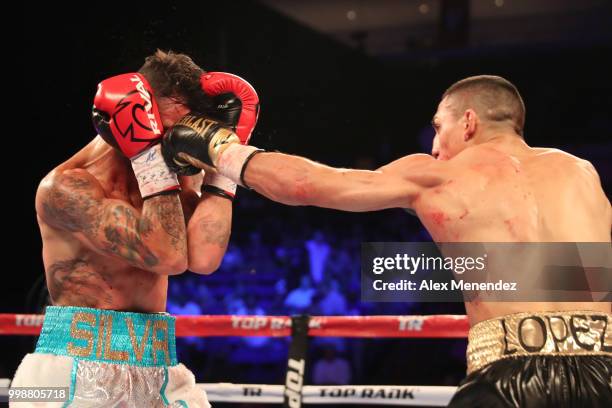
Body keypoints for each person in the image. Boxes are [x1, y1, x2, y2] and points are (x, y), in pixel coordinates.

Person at [162, 74, 612, 407]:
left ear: (469, 122)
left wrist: (222, 148)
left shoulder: (438, 172)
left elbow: (314, 185)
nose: (435, 145)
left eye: (439, 127)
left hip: (509, 378)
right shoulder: (581, 173)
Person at [11, 50, 258, 407]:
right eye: (169, 127)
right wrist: (147, 154)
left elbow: (204, 259)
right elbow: (167, 257)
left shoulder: (179, 177)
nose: (176, 140)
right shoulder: (65, 188)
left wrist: (226, 163)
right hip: (68, 370)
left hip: (157, 365)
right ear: (134, 115)